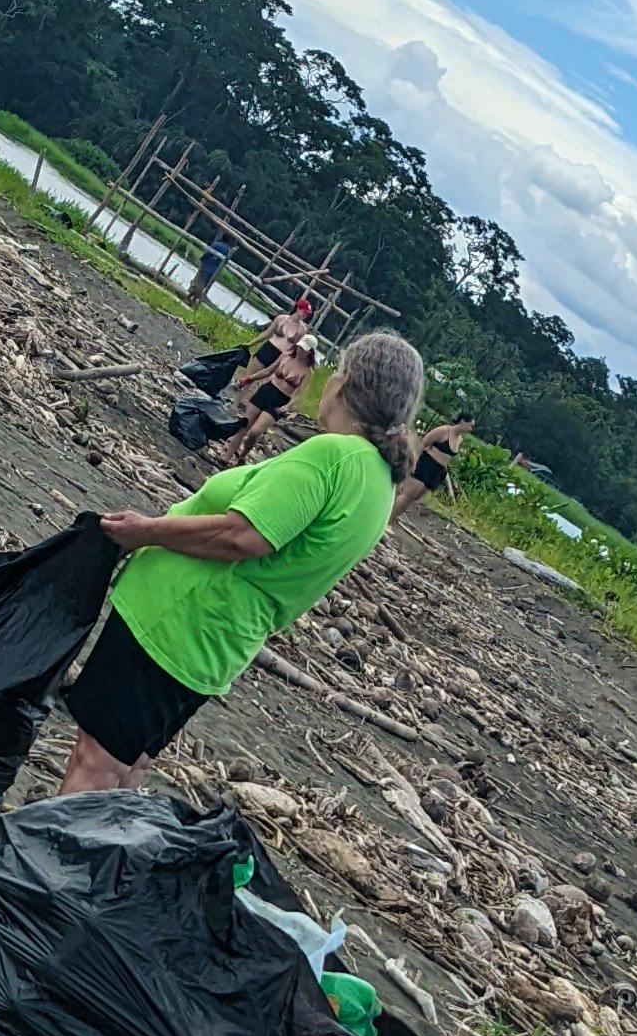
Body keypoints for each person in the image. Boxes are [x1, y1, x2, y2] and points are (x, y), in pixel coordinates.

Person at [58, 331, 426, 793]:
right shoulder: (380, 485)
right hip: (216, 644)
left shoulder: (334, 455)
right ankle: (85, 860)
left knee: (96, 761)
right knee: (127, 768)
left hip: (177, 621)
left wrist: (145, 531)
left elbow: (244, 535)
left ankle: (44, 862)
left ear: (346, 384)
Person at [219, 323, 317, 463]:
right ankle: (227, 456)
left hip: (280, 400)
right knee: (244, 424)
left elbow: (300, 394)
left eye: (304, 349)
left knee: (255, 431)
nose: (301, 350)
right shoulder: (285, 356)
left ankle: (243, 455)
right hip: (267, 390)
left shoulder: (308, 371)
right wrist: (248, 379)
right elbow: (268, 371)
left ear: (310, 352)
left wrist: (288, 407)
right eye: (300, 347)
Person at [391, 415, 472, 524]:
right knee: (408, 495)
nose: (470, 429)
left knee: (415, 498)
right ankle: (387, 519)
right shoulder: (443, 431)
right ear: (462, 421)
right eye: (469, 426)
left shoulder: (460, 439)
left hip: (438, 471)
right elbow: (424, 443)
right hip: (427, 463)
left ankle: (392, 518)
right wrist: (414, 462)